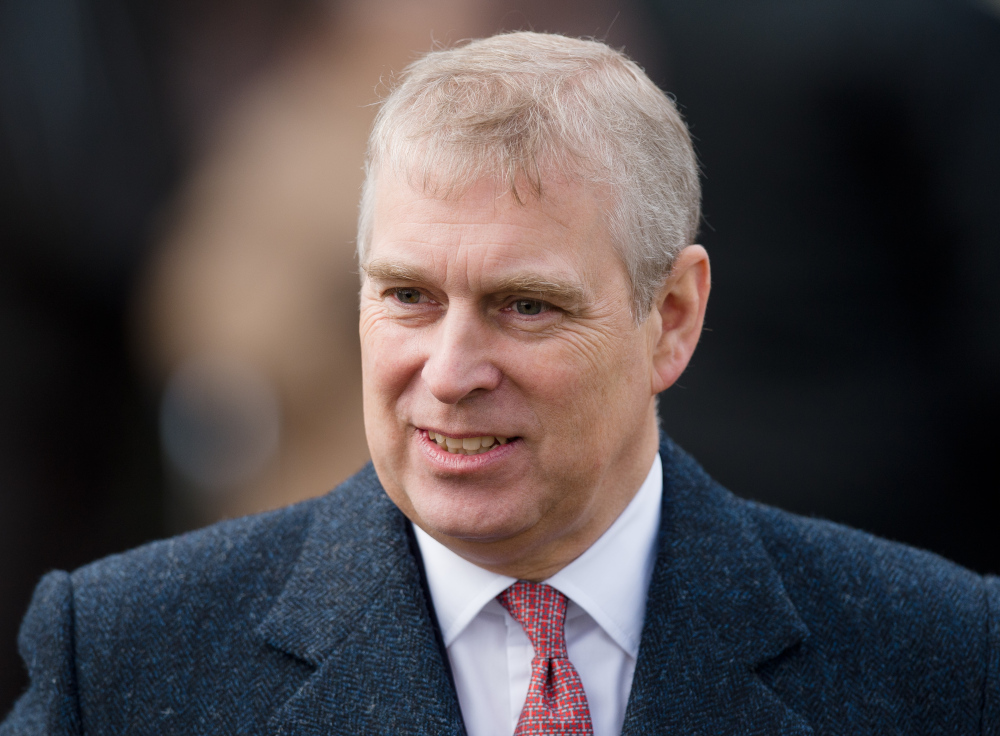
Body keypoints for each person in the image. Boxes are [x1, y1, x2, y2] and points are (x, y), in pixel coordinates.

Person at [3, 31, 998, 736]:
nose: (448, 372)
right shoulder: (128, 655)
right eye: (406, 295)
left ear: (673, 317)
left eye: (525, 305)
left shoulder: (938, 655)